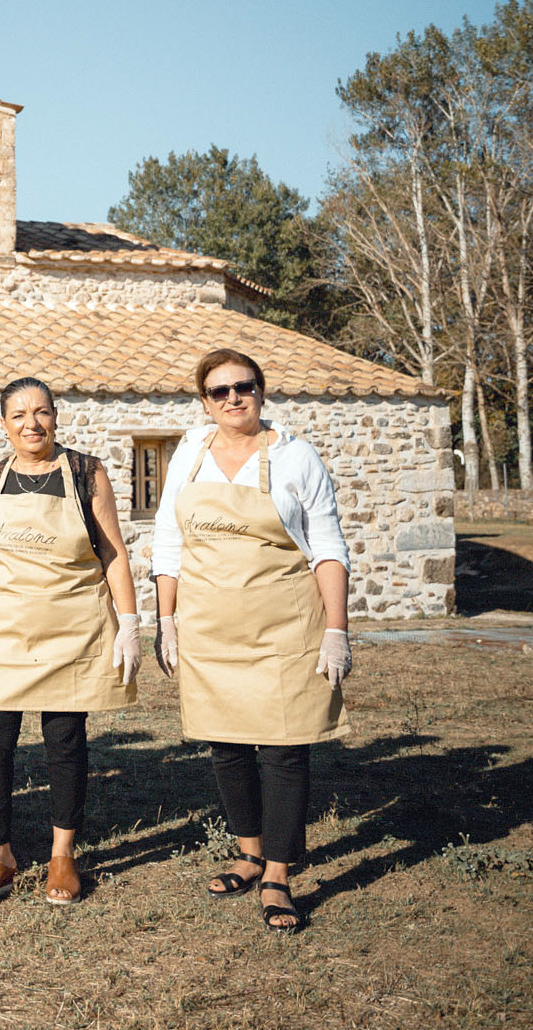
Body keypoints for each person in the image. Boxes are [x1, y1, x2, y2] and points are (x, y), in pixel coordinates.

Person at [152, 349, 351, 934]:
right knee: (227, 745)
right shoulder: (189, 454)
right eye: (219, 391)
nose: (233, 398)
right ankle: (248, 851)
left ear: (261, 391)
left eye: (244, 387)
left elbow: (328, 547)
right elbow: (168, 540)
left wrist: (336, 629)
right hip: (211, 628)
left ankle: (279, 875)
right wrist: (166, 622)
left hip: (284, 627)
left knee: (286, 750)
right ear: (205, 401)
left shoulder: (295, 455)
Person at [0, 377, 142, 907]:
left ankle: (63, 855)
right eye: (18, 415)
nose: (30, 424)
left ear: (56, 416)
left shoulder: (85, 472)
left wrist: (130, 622)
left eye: (41, 413)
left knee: (65, 744)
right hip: (3, 631)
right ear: (4, 424)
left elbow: (113, 553)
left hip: (72, 629)